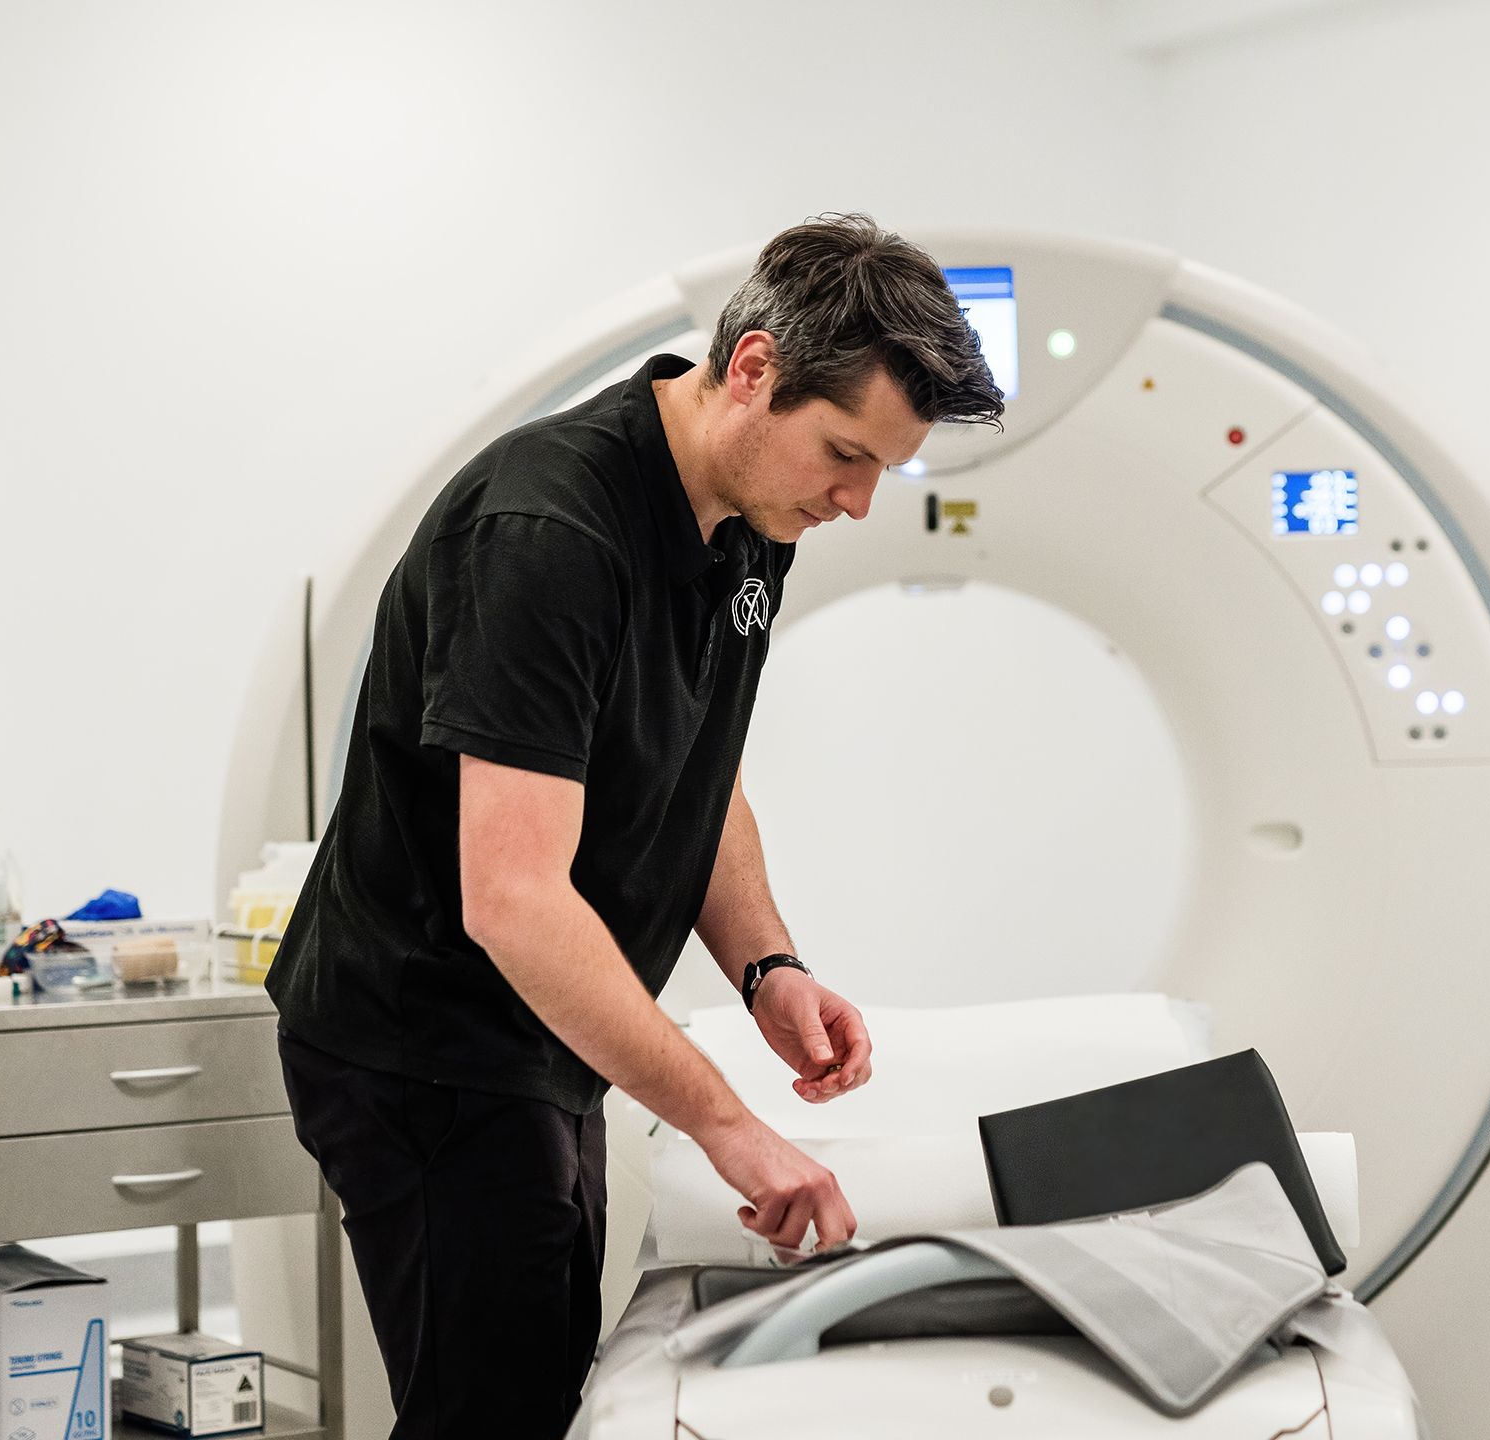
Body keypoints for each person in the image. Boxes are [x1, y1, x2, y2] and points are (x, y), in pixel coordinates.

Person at [263, 213, 1007, 1439]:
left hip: (543, 1033)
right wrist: (729, 1127)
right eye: (844, 454)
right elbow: (511, 897)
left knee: (547, 1388)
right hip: (425, 1042)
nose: (860, 501)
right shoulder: (552, 534)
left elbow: (692, 769)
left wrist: (767, 966)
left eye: (882, 467)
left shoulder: (752, 521)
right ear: (754, 370)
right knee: (486, 1412)